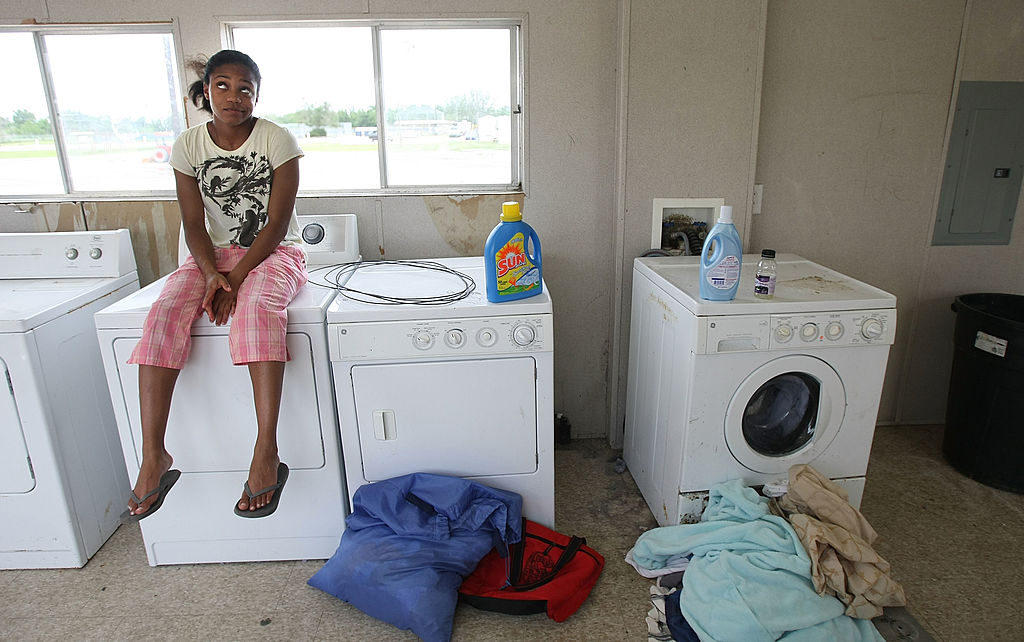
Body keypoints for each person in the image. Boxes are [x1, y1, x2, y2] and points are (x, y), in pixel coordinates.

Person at [125, 49, 306, 520]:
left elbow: (277, 224)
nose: (234, 96)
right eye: (222, 85)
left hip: (269, 254)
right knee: (162, 316)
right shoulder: (188, 145)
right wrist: (211, 275)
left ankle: (266, 450)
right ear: (205, 91)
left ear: (256, 95)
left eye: (245, 88)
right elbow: (192, 222)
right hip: (208, 258)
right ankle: (154, 457)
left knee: (257, 313)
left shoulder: (277, 139)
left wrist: (235, 279)